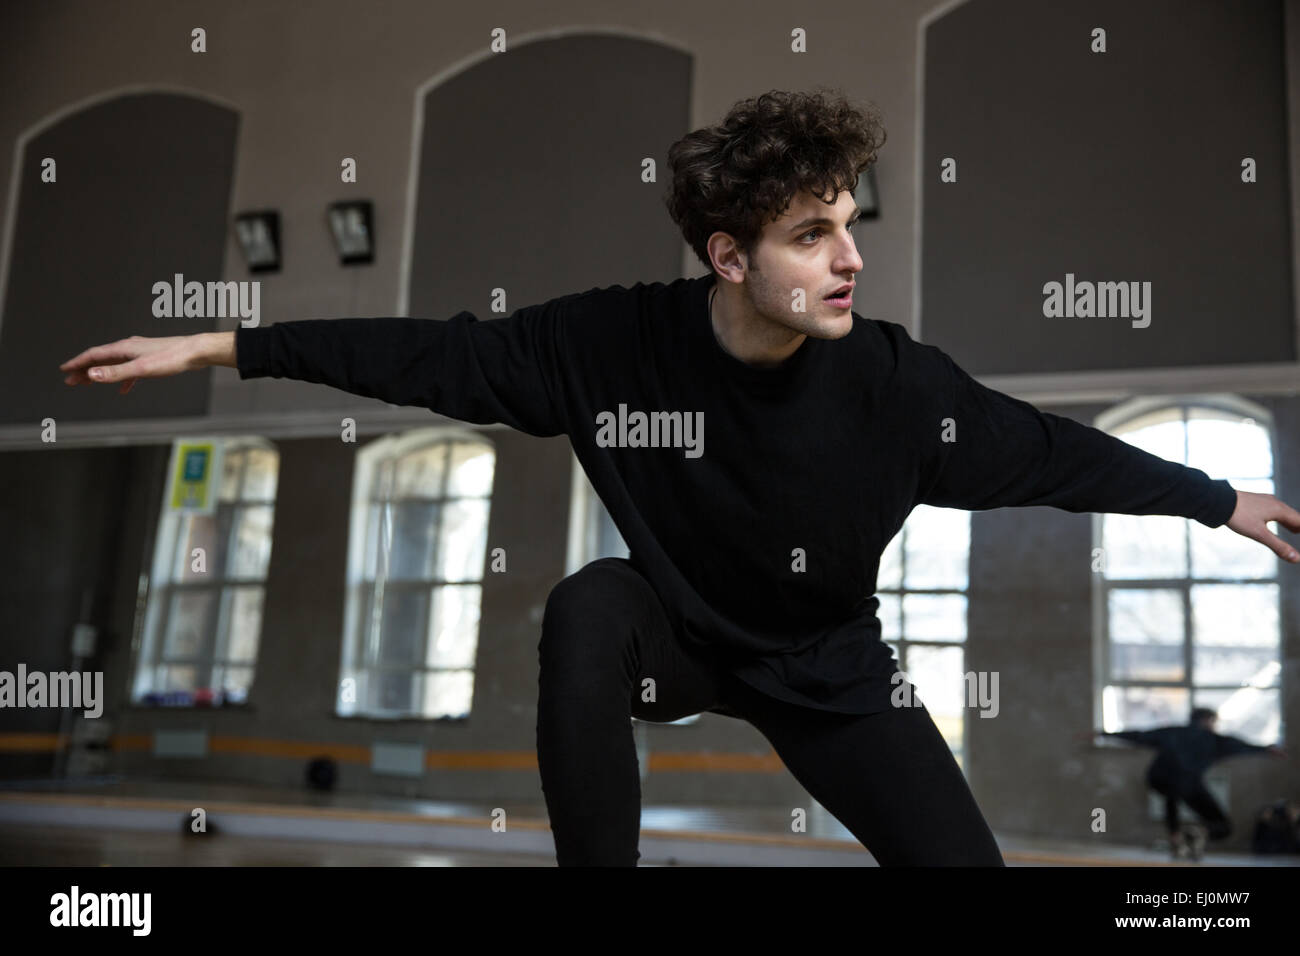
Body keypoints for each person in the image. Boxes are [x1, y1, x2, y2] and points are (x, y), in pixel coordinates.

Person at [57, 88, 1300, 867]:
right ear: (728, 255)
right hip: (681, 643)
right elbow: (431, 354)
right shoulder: (607, 345)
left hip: (827, 671)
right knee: (593, 602)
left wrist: (1220, 500)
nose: (849, 258)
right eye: (812, 235)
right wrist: (224, 341)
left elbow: (1052, 451)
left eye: (849, 226)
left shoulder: (893, 387)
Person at [1086, 709, 1286, 860]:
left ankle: (1181, 836)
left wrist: (1103, 734)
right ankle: (1194, 834)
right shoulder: (1214, 740)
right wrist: (1267, 750)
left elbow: (1138, 736)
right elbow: (1241, 747)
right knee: (1221, 825)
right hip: (1182, 784)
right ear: (1208, 721)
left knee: (1172, 792)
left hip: (1161, 781)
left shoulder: (1173, 732)